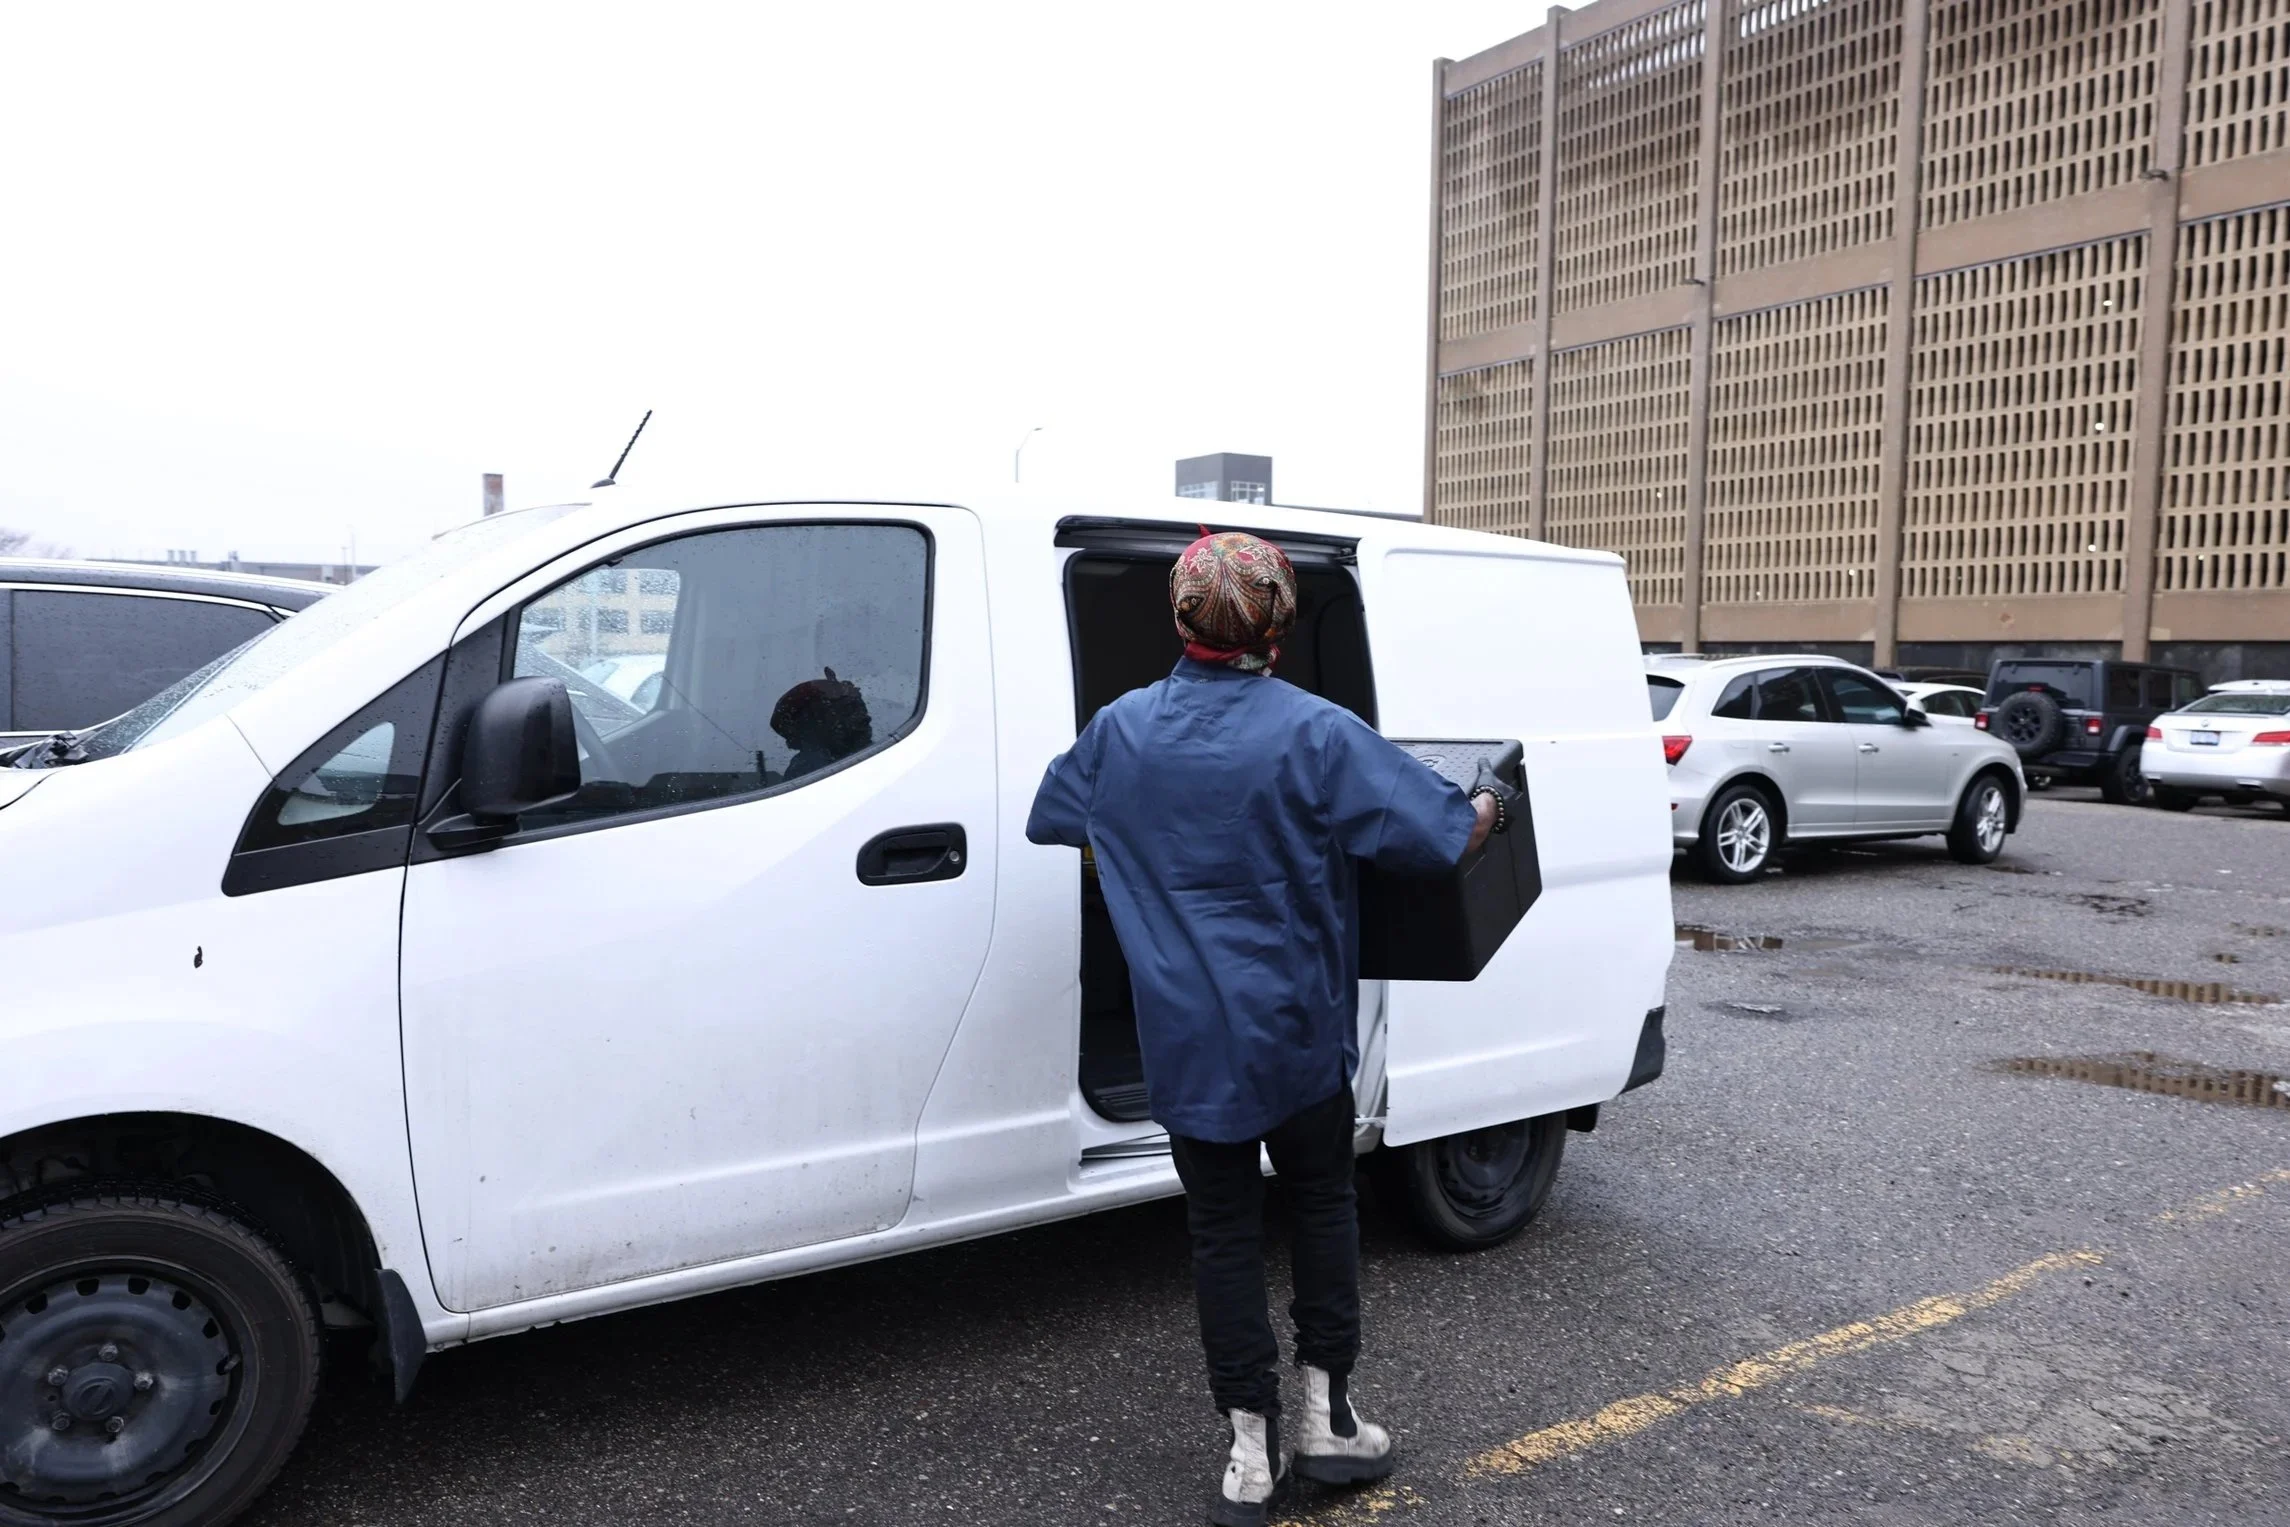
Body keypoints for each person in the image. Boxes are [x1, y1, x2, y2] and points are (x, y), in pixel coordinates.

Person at [1026, 531, 1506, 1525]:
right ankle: (1329, 1424)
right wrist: (1496, 799)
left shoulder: (1119, 731)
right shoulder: (1317, 733)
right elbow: (1443, 834)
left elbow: (1054, 817)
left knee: (1220, 1232)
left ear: (1178, 619)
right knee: (1324, 1207)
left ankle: (1249, 1453)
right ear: (1279, 626)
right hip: (1295, 1034)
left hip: (1189, 1043)